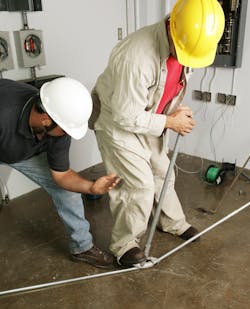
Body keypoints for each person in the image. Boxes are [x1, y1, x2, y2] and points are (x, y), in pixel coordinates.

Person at [89, 0, 225, 267]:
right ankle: (124, 243)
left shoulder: (189, 38)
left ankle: (171, 222)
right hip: (117, 121)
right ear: (173, 28)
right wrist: (170, 123)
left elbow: (169, 83)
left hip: (151, 116)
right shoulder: (137, 56)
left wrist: (175, 113)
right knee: (139, 184)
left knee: (164, 172)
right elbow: (125, 115)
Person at [0, 77, 120, 269]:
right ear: (46, 119)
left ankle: (82, 247)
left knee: (67, 190)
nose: (68, 135)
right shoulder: (5, 115)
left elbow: (62, 176)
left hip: (19, 150)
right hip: (5, 134)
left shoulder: (59, 122)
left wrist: (91, 187)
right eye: (65, 131)